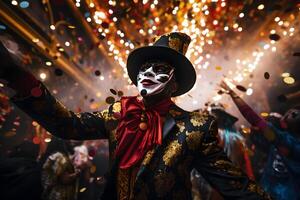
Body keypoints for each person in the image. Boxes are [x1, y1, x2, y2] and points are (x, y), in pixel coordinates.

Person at [0, 32, 271, 199]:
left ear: (174, 85)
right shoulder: (119, 112)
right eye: (146, 68)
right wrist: (17, 76)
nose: (150, 73)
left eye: (160, 69)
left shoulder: (197, 127)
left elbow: (233, 183)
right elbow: (67, 125)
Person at [220, 80, 300, 200]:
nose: (292, 113)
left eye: (296, 114)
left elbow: (253, 118)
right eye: (292, 110)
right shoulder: (278, 140)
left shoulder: (291, 142)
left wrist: (233, 94)